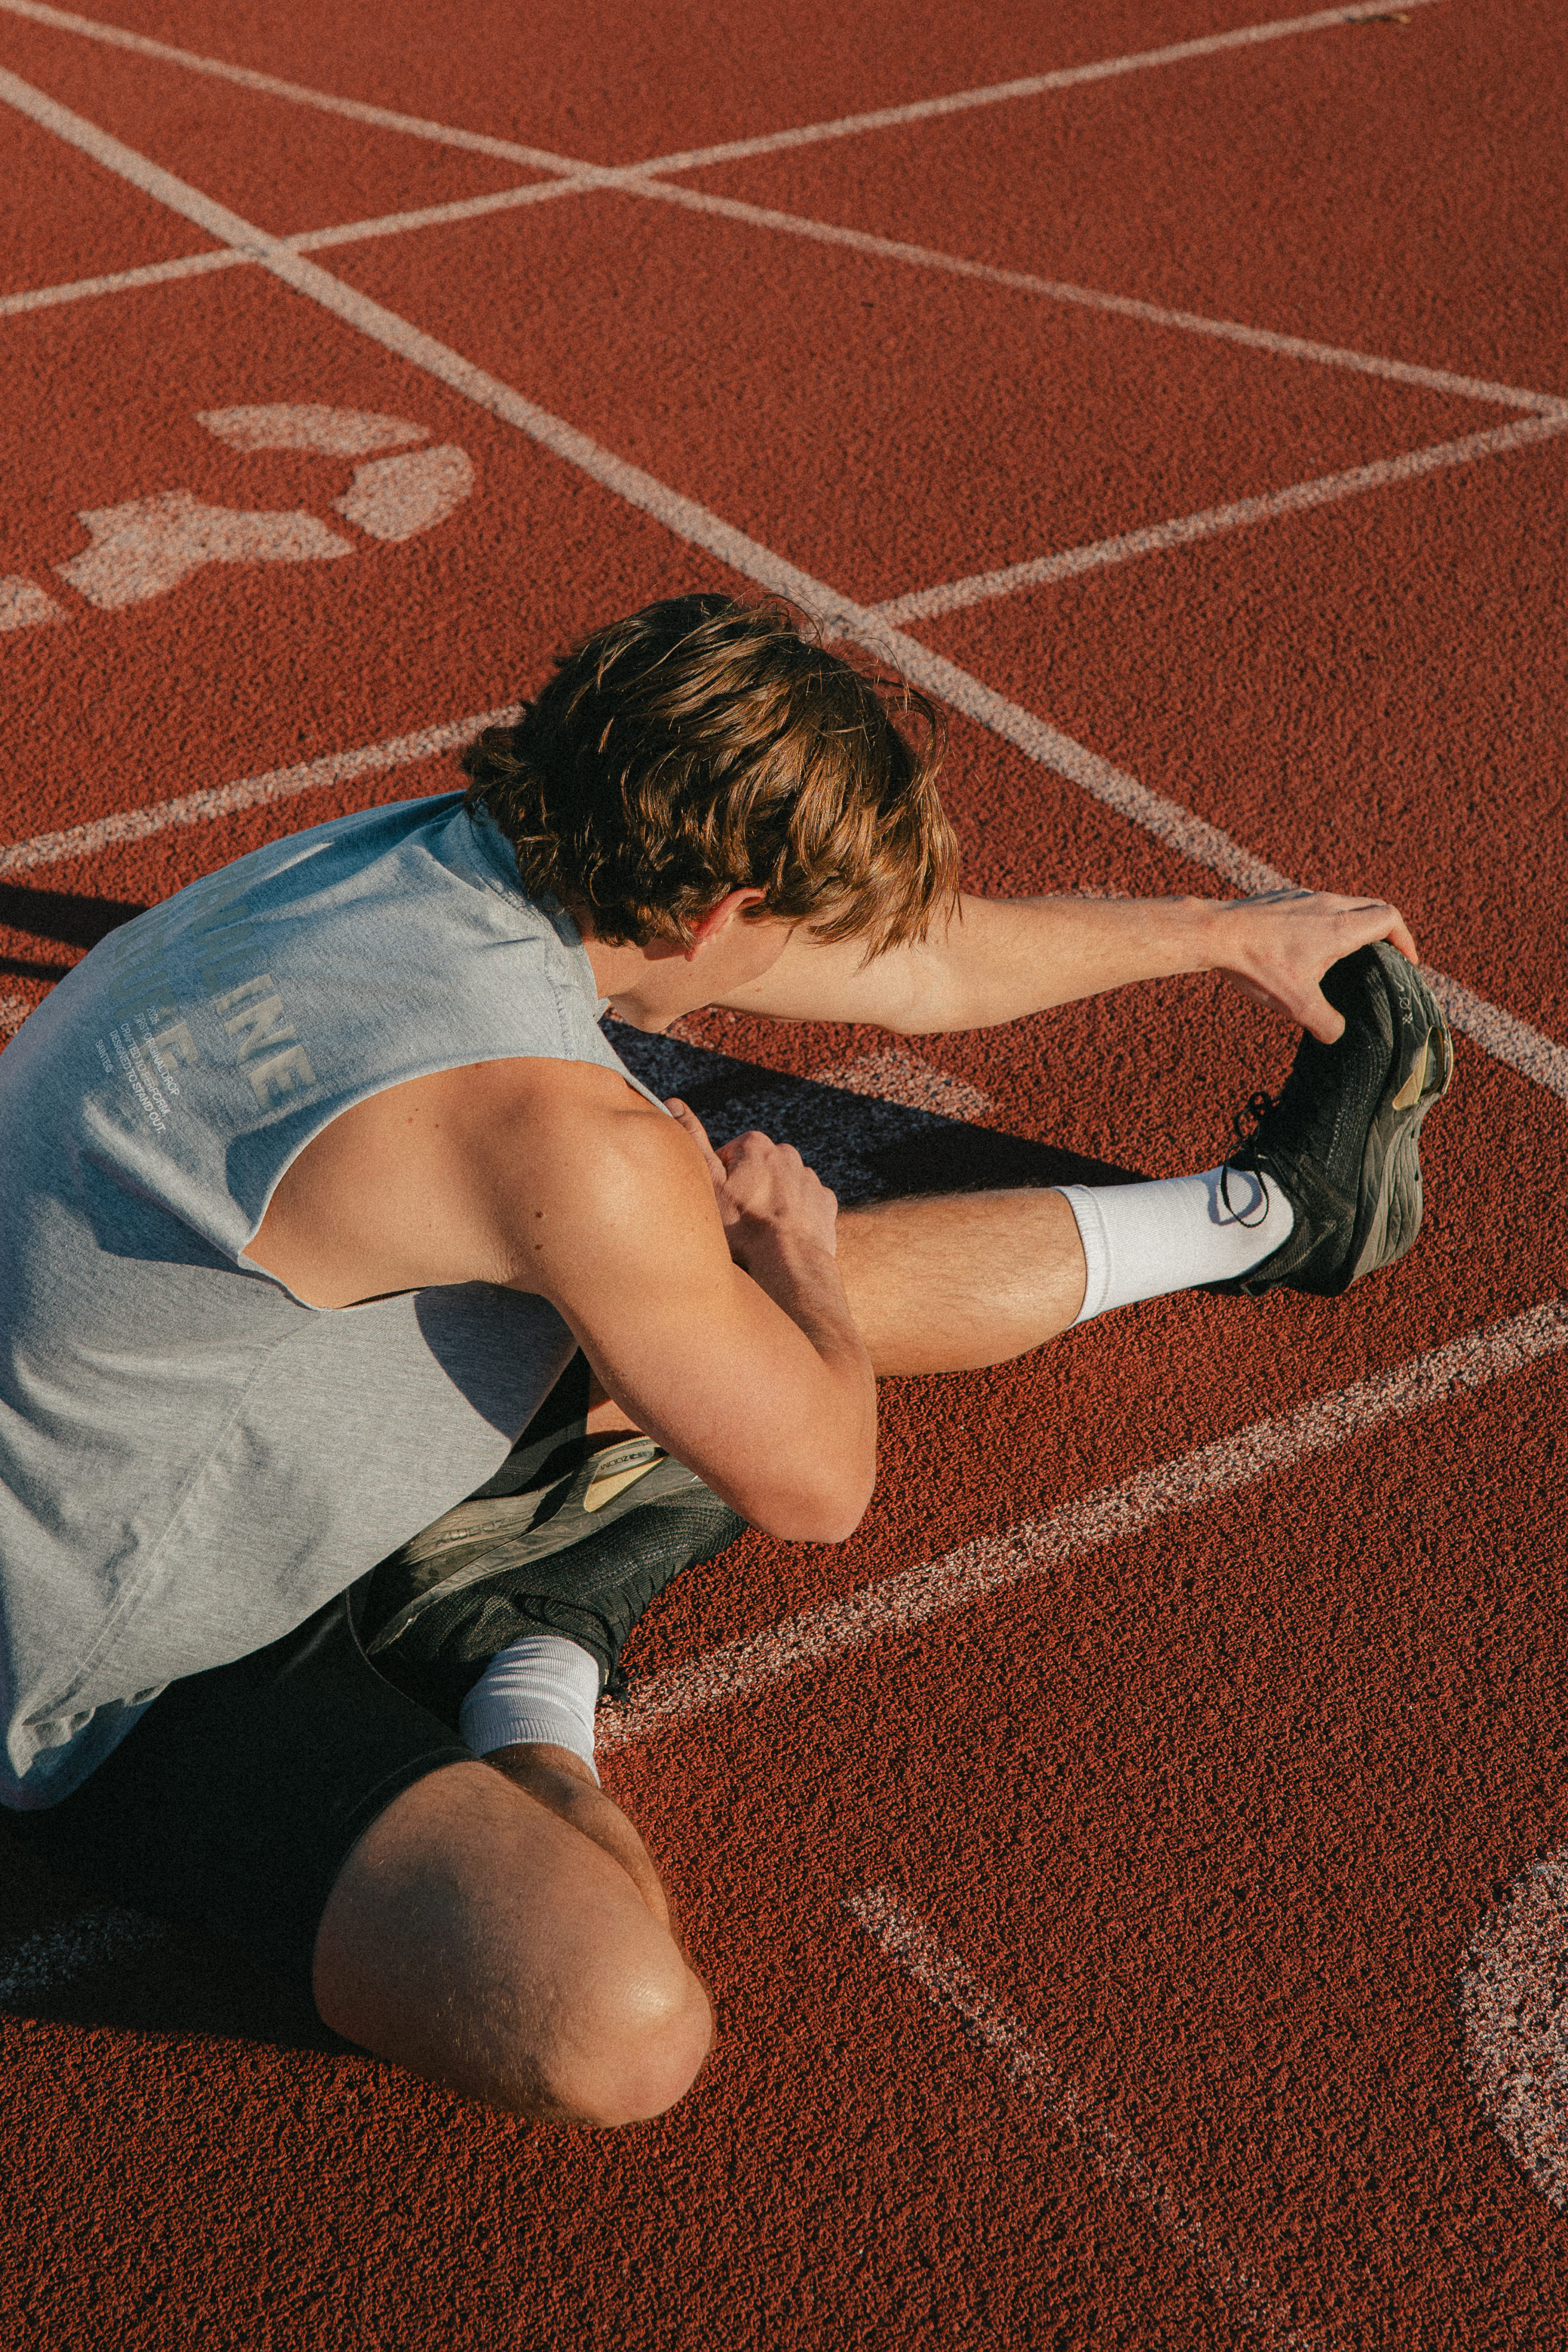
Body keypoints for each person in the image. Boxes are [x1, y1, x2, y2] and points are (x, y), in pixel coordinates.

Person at [0, 593, 1450, 2127]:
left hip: (168, 1417)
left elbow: (922, 970)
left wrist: (1229, 933)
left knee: (671, 1268)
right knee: (617, 2031)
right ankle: (525, 1662)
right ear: (712, 917)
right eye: (798, 920)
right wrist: (801, 1268)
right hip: (111, 1665)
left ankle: (1277, 1213)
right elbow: (819, 1482)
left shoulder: (430, 849)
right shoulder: (554, 1131)